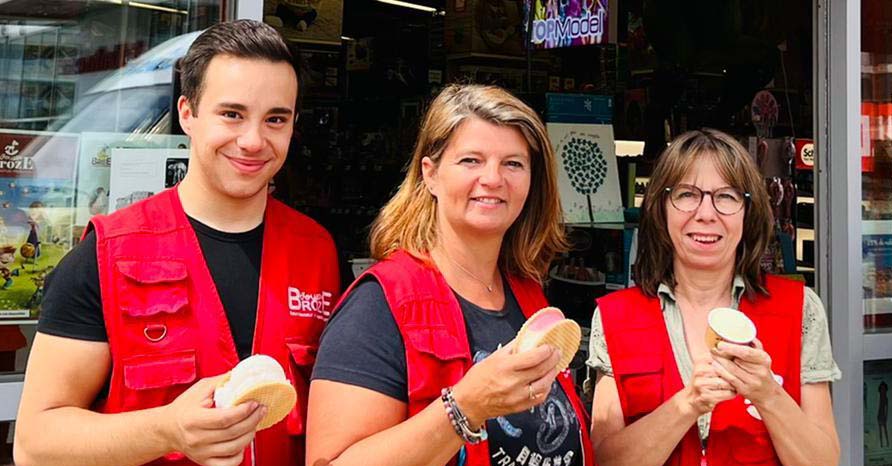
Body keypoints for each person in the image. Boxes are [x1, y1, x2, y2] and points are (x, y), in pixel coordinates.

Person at [14, 19, 339, 466]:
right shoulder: (106, 256)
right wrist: (165, 429)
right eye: (232, 114)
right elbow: (35, 444)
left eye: (275, 119)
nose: (252, 140)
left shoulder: (318, 252)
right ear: (187, 113)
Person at [307, 84, 593, 466]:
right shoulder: (379, 304)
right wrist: (465, 407)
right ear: (431, 174)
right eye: (471, 161)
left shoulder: (527, 295)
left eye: (513, 163)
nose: (493, 179)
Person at [588, 128, 841, 466]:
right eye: (687, 194)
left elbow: (823, 461)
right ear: (660, 208)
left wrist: (768, 394)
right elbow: (605, 461)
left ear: (748, 212)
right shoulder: (615, 317)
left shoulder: (800, 309)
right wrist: (688, 403)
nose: (706, 214)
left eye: (727, 196)